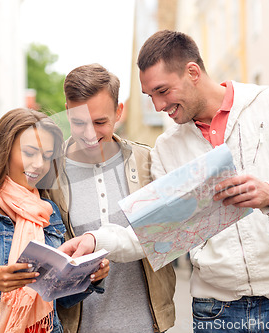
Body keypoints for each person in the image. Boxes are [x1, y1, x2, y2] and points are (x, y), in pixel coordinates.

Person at [62, 30, 269, 333]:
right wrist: (96, 241)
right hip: (215, 312)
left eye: (162, 90)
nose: (157, 105)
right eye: (150, 95)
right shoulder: (166, 148)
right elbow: (152, 232)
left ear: (192, 72)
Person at [0, 108, 109, 333]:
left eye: (46, 156)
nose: (39, 164)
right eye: (29, 152)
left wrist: (90, 278)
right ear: (3, 151)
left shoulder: (49, 213)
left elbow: (59, 300)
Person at [50, 64, 176, 333]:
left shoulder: (147, 161)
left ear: (119, 112)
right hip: (77, 327)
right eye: (78, 122)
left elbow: (167, 235)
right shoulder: (50, 174)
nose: (89, 134)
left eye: (100, 122)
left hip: (146, 324)